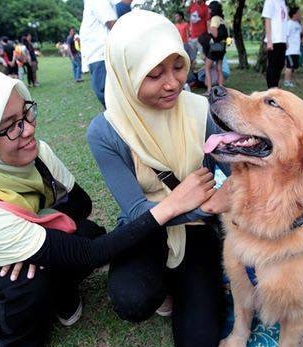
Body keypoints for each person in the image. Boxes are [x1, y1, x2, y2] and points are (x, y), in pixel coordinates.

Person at [0, 62, 215, 346]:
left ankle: (57, 284)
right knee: (26, 281)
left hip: (31, 236)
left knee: (87, 232)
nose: (27, 130)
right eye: (10, 127)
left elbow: (80, 205)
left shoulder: (36, 156)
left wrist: (29, 238)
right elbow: (88, 254)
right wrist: (172, 204)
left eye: (25, 112)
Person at [87, 10, 232, 347]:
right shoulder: (107, 131)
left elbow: (238, 174)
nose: (173, 84)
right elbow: (137, 210)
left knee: (200, 338)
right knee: (132, 299)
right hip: (144, 230)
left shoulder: (201, 111)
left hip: (198, 232)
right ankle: (167, 284)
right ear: (126, 75)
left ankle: (187, 282)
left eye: (179, 67)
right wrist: (196, 204)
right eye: (154, 74)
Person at [80, 0, 117, 108]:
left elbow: (112, 23)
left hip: (101, 55)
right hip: (98, 55)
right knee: (107, 97)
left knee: (109, 98)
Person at [198, 1, 228, 94]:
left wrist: (209, 27)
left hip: (215, 47)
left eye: (209, 8)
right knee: (219, 68)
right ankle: (221, 89)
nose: (208, 10)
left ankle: (209, 90)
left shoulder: (214, 19)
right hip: (222, 47)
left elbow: (214, 34)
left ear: (213, 9)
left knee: (207, 68)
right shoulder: (221, 19)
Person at [262, 0, 288, 88]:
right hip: (274, 40)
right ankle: (271, 88)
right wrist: (269, 40)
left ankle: (275, 86)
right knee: (273, 66)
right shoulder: (270, 1)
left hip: (282, 39)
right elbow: (267, 20)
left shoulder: (283, 2)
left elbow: (284, 23)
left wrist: (286, 39)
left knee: (280, 64)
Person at [284, 6, 302, 88]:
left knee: (293, 67)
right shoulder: (289, 24)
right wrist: (287, 45)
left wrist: (302, 20)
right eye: (298, 13)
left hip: (296, 50)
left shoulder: (298, 24)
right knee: (289, 66)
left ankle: (289, 80)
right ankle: (286, 82)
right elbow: (285, 36)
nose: (300, 14)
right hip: (290, 50)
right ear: (294, 14)